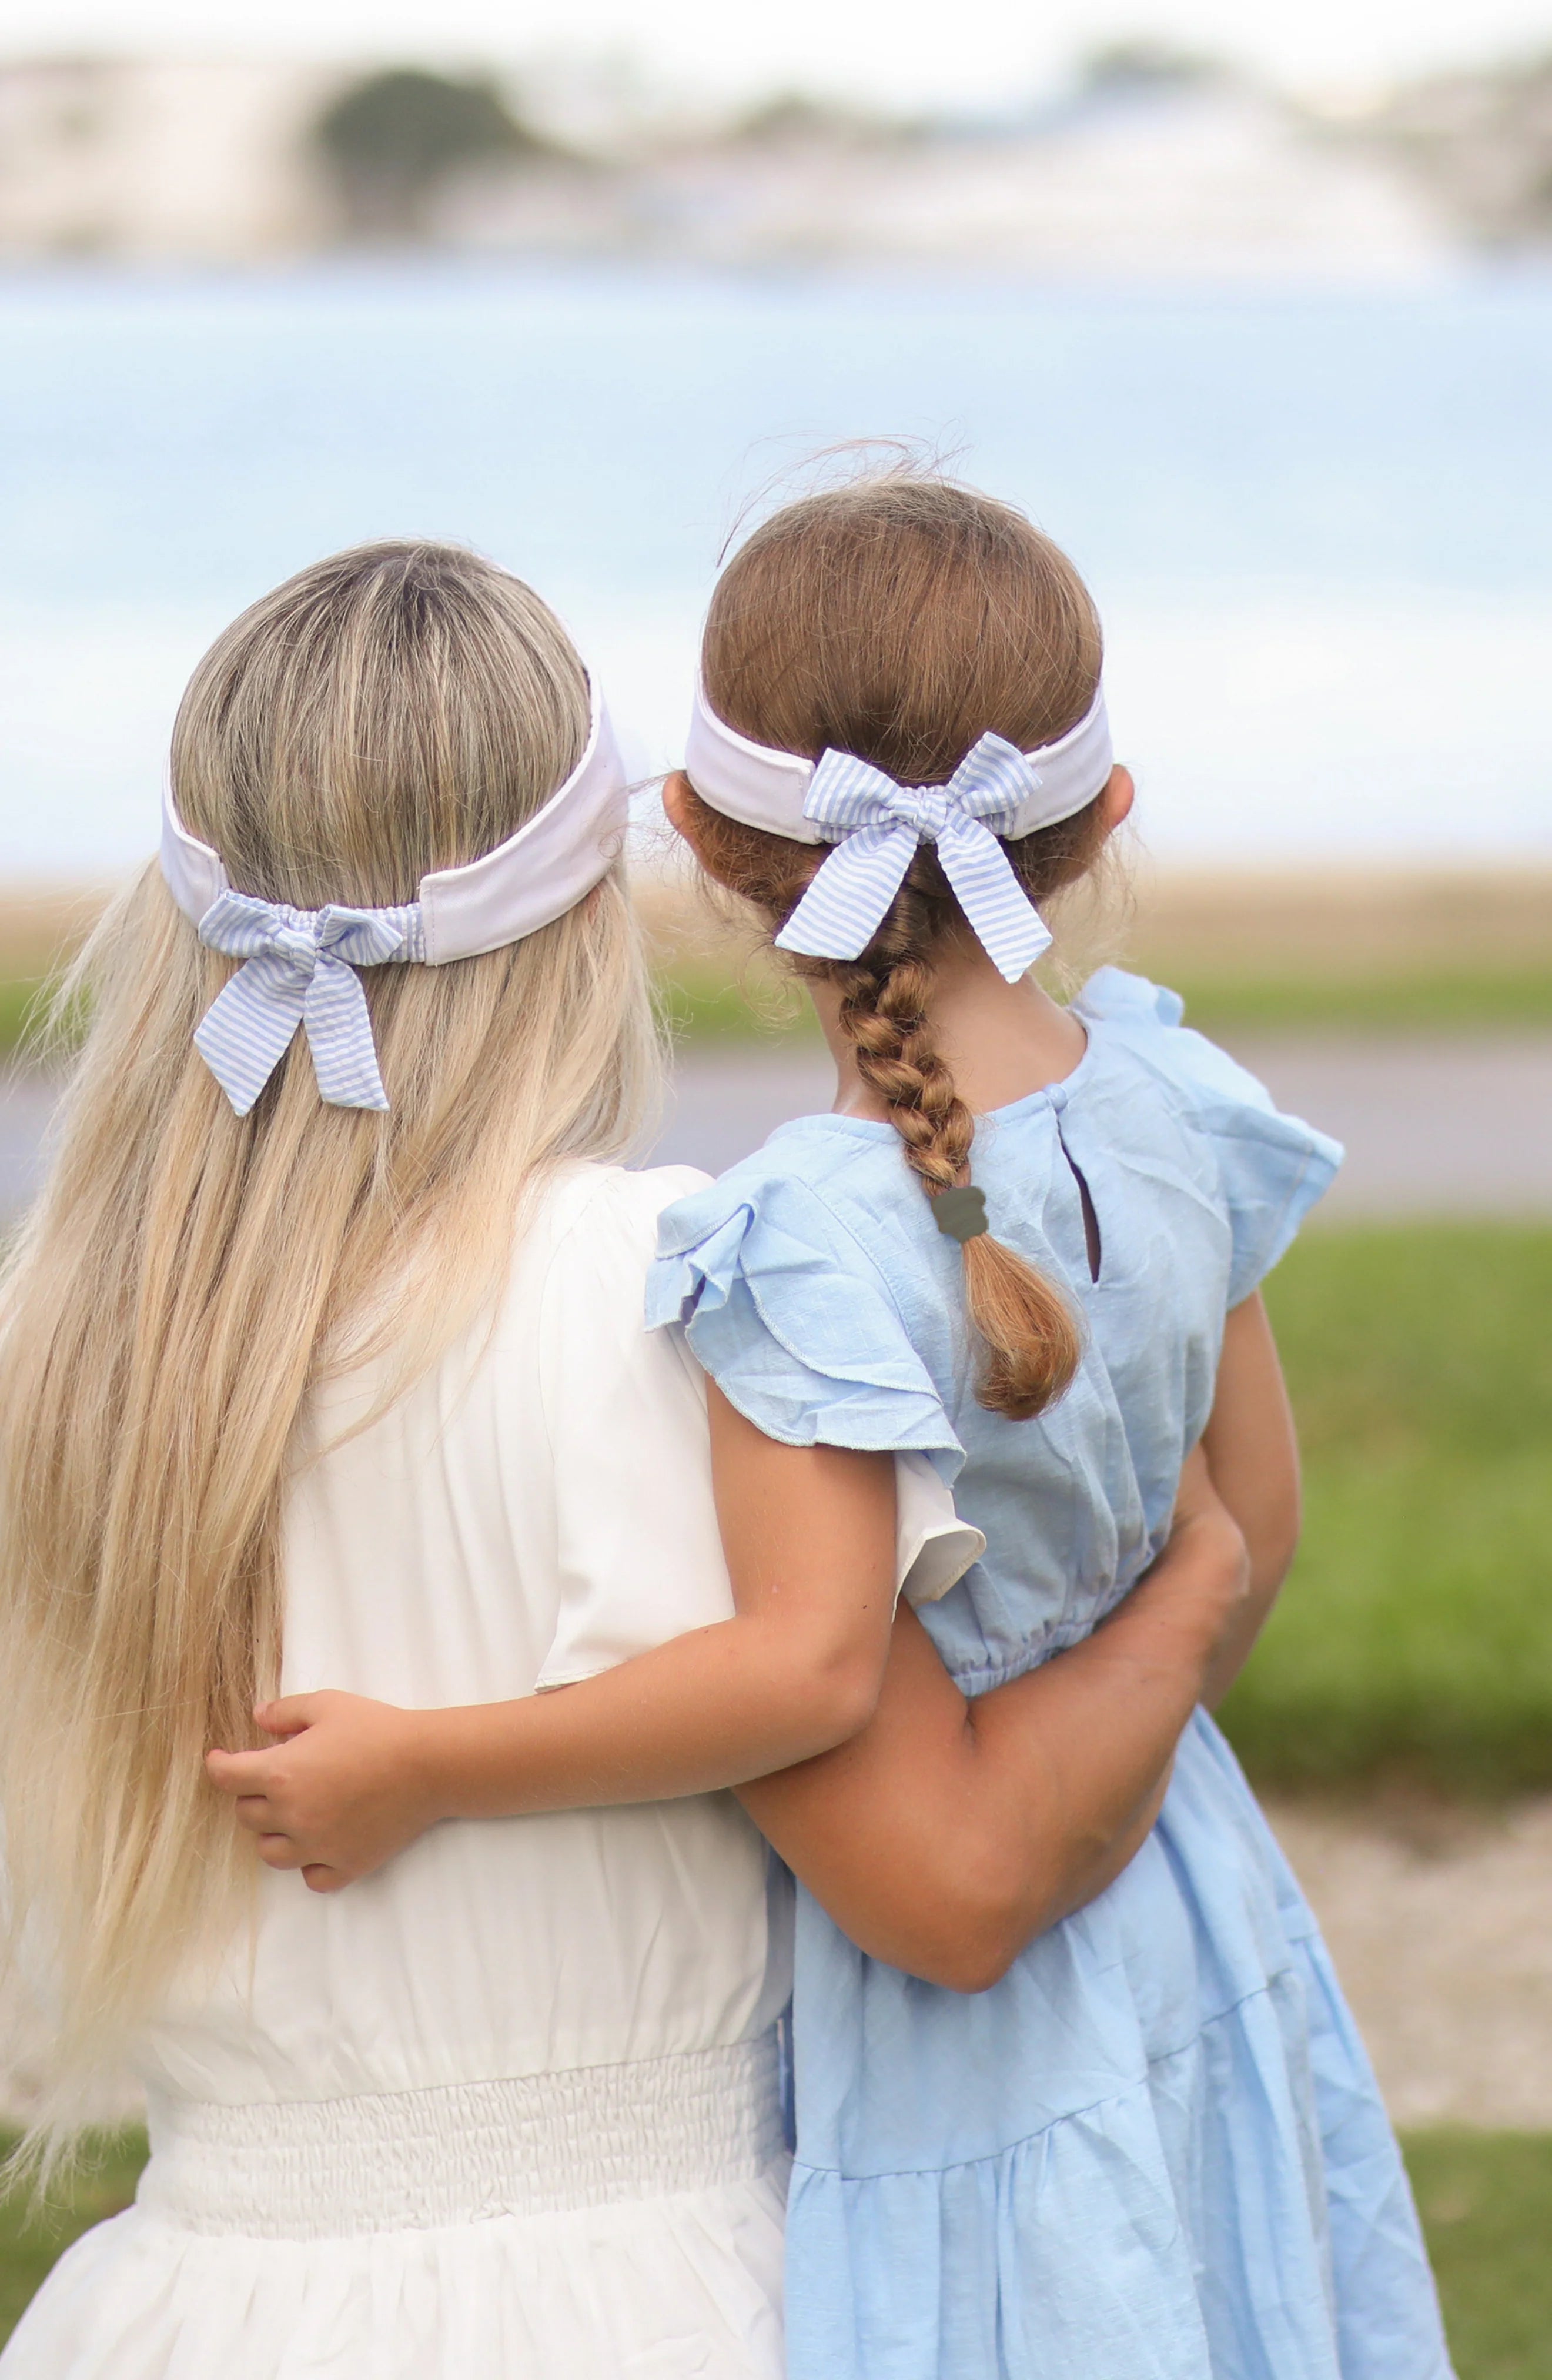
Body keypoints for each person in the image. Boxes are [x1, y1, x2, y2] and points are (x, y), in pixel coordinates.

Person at [205, 477, 1457, 2379]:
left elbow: (803, 1670)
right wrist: (1170, 1606)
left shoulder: (796, 1243)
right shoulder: (1181, 1097)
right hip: (1194, 1893)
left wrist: (430, 1766)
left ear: (699, 839)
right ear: (1103, 815)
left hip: (976, 2035)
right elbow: (1247, 1529)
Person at [0, 534, 1250, 2380]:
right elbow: (961, 1878)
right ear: (599, 895)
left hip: (194, 2301)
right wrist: (1202, 1588)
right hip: (658, 2301)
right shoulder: (678, 1291)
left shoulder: (65, 1347)